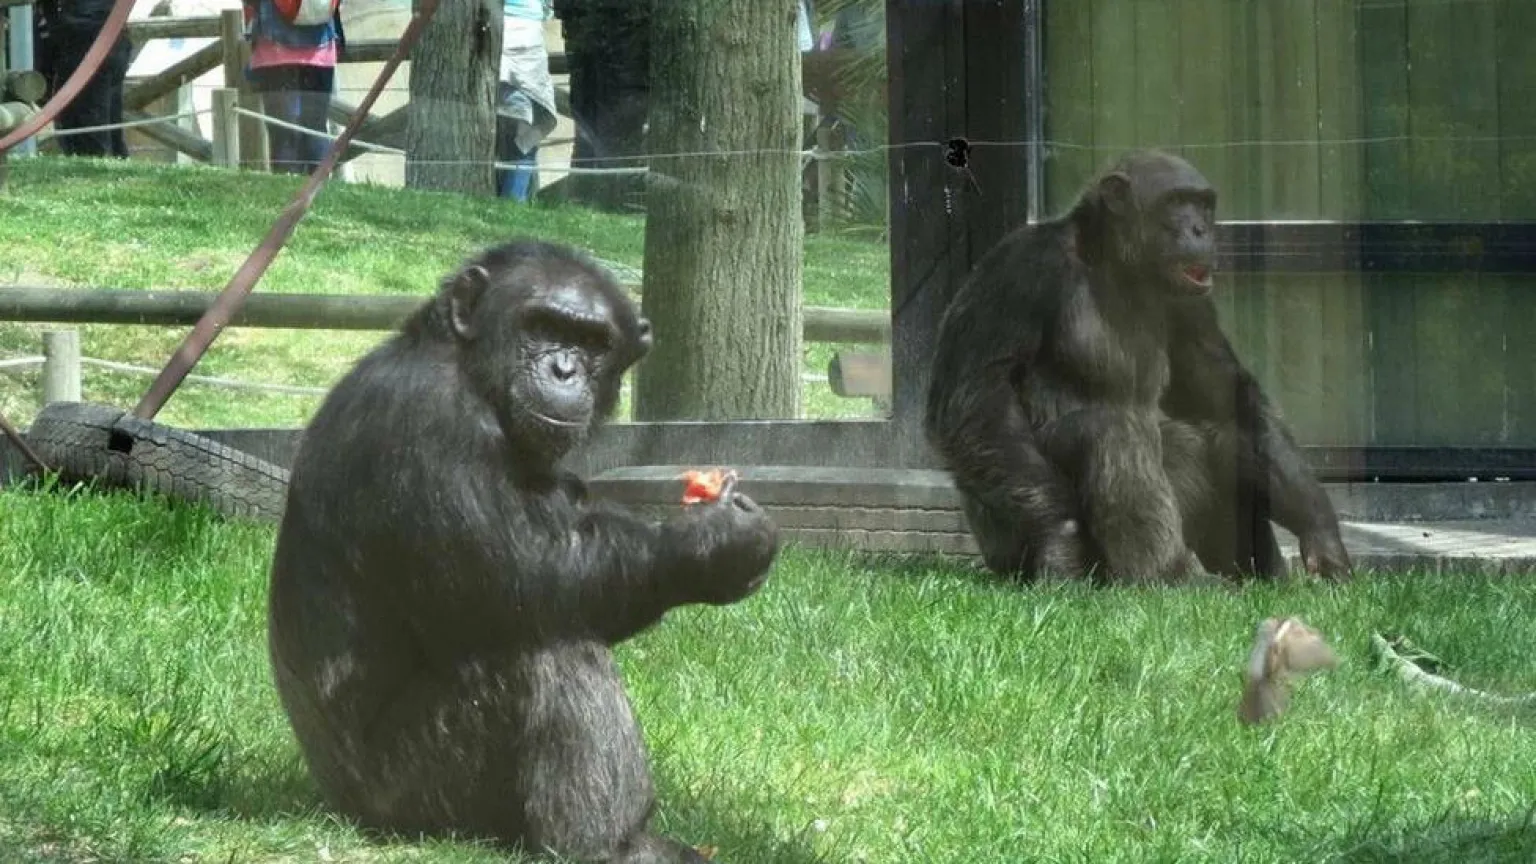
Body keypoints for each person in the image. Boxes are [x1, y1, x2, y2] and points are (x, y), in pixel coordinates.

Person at [242, 0, 344, 175]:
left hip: (274, 50)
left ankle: (287, 186)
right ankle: (318, 186)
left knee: (282, 132)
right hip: (321, 50)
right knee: (316, 127)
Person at [33, 0, 133, 158]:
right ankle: (113, 160)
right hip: (110, 32)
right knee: (106, 122)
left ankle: (99, 163)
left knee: (86, 127)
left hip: (84, 36)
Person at [496, 0, 558, 201]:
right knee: (527, 136)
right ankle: (514, 202)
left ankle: (513, 201)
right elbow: (547, 10)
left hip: (500, 30)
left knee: (520, 133)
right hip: (526, 36)